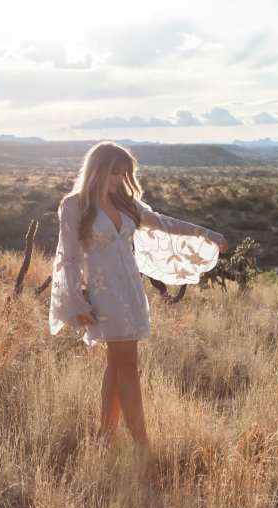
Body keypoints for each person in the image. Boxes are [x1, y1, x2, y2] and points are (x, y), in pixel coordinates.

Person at [49, 141, 228, 450]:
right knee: (127, 364)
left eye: (123, 173)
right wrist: (76, 299)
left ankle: (106, 438)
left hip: (131, 291)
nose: (119, 179)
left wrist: (206, 234)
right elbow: (69, 258)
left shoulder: (127, 203)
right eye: (114, 172)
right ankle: (141, 444)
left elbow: (164, 222)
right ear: (97, 169)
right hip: (104, 294)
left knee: (116, 364)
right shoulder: (74, 205)